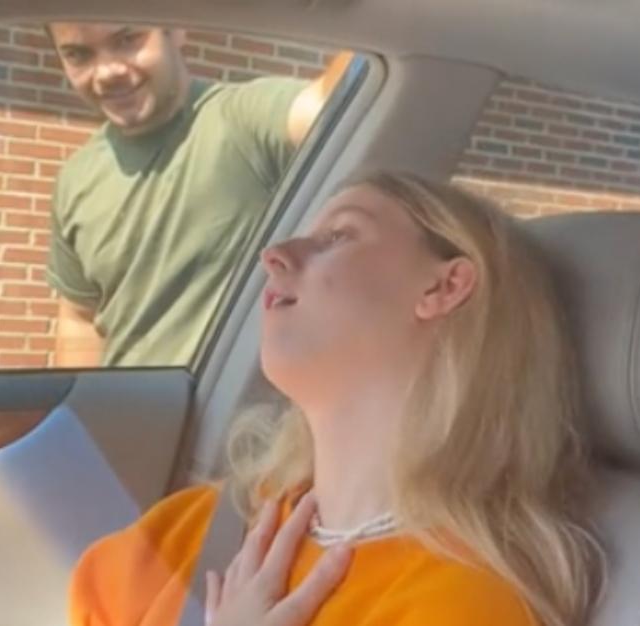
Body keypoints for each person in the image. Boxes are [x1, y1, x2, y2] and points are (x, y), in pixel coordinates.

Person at [68, 172, 604, 626]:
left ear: (444, 287)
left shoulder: (466, 602)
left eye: (337, 236)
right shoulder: (199, 526)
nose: (273, 255)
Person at [44, 22, 354, 367]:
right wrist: (85, 414)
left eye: (128, 39)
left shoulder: (241, 120)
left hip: (239, 417)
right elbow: (79, 317)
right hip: (128, 414)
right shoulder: (76, 178)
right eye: (78, 54)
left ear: (175, 29)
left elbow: (333, 105)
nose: (107, 72)